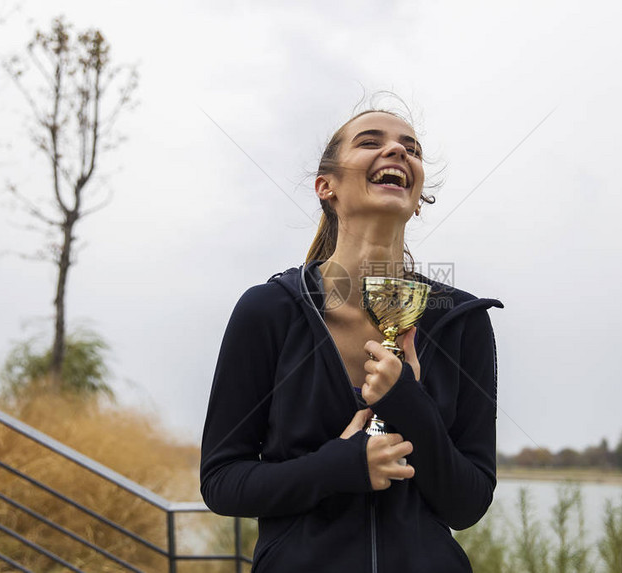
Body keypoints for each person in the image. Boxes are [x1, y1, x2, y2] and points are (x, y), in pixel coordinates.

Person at [200, 108, 503, 573]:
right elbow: (221, 481)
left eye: (411, 148)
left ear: (418, 196)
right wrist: (338, 467)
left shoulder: (462, 321)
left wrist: (410, 404)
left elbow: (468, 505)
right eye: (370, 141)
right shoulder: (268, 311)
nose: (398, 150)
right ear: (327, 187)